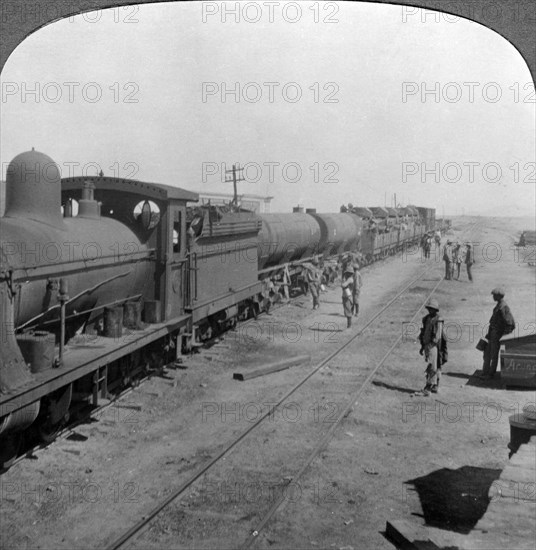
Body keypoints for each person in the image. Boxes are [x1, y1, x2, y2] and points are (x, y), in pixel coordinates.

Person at [480, 287, 516, 380]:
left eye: (494, 295)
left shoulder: (503, 307)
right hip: (492, 333)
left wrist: (503, 336)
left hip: (497, 335)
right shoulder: (499, 305)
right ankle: (485, 373)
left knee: (493, 355)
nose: (493, 297)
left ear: (499, 296)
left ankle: (490, 374)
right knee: (487, 353)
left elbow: (510, 323)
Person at [417, 298, 446, 395]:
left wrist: (430, 346)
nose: (430, 310)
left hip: (434, 346)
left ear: (435, 310)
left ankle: (428, 388)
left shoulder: (439, 320)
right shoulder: (426, 319)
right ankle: (435, 387)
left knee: (432, 366)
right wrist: (422, 347)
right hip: (427, 345)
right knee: (434, 365)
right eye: (429, 308)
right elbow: (423, 333)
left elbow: (437, 336)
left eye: (432, 309)